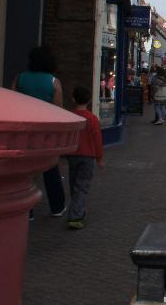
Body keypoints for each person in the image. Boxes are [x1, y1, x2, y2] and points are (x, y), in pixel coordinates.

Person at [13, 46, 66, 217]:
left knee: (26, 172)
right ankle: (57, 207)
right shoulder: (54, 82)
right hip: (46, 132)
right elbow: (58, 111)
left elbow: (11, 103)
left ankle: (27, 211)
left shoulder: (20, 78)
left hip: (25, 131)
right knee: (51, 169)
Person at [66, 86, 104, 230]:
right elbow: (97, 139)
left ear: (73, 99)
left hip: (72, 155)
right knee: (81, 186)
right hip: (88, 157)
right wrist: (99, 158)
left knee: (73, 183)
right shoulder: (92, 118)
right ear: (89, 100)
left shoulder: (69, 116)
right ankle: (75, 216)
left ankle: (77, 210)